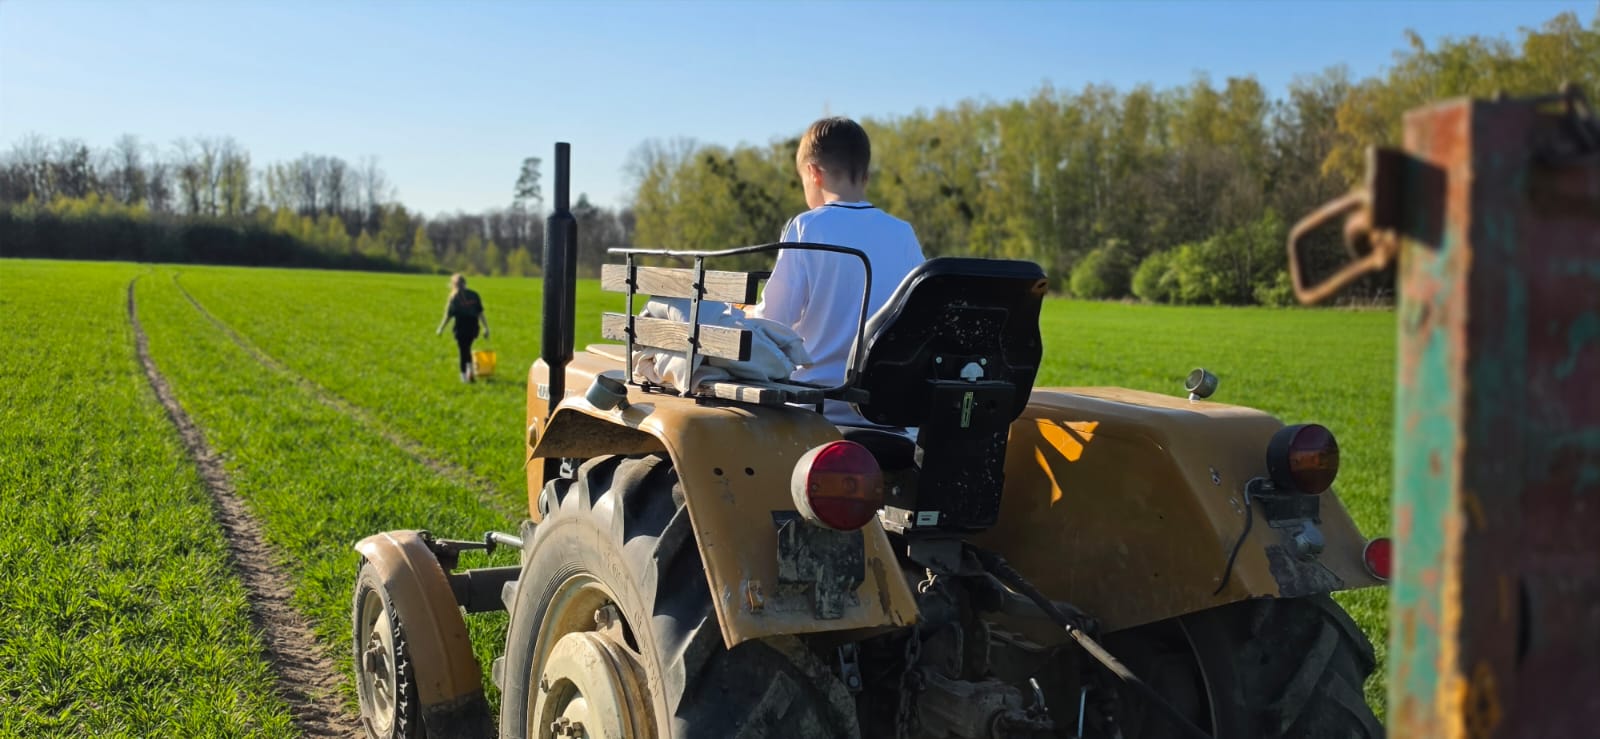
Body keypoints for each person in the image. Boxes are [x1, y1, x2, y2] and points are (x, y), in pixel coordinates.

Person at [750, 116, 926, 424]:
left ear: (813, 173)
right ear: (866, 175)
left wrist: (744, 315)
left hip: (817, 406)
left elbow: (774, 322)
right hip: (885, 409)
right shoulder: (903, 233)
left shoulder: (806, 226)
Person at [436, 274, 490, 383]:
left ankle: (463, 376)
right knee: (467, 348)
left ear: (453, 285)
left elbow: (448, 315)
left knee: (463, 351)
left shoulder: (454, 297)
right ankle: (470, 372)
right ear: (465, 283)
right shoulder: (474, 295)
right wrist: (486, 328)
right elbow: (480, 313)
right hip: (473, 327)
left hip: (461, 328)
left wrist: (441, 328)